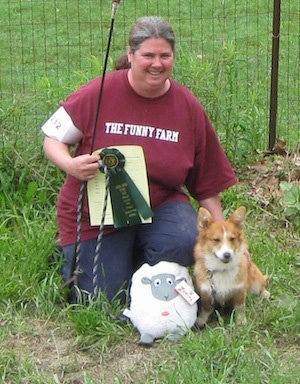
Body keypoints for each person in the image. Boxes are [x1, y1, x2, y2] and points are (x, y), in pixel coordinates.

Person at [41, 16, 237, 304]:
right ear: (131, 55)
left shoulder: (188, 107)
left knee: (184, 239)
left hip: (160, 207)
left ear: (173, 57)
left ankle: (140, 261)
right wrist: (71, 164)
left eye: (164, 55)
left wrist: (225, 238)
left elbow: (206, 184)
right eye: (148, 55)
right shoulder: (99, 91)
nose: (156, 63)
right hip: (97, 213)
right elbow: (52, 138)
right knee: (102, 302)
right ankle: (85, 254)